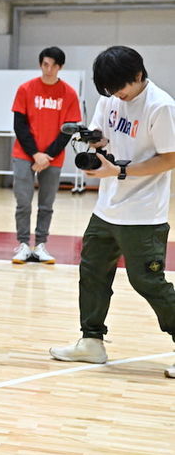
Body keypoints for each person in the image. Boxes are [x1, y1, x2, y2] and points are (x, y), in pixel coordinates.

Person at [49, 46, 175, 379]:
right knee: (92, 272)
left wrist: (119, 171)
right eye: (108, 89)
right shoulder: (110, 100)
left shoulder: (161, 106)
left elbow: (170, 157)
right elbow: (104, 141)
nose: (116, 94)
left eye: (121, 87)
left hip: (144, 213)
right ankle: (91, 341)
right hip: (107, 208)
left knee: (146, 280)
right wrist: (95, 142)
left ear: (138, 75)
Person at [10, 47, 81, 264]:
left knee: (46, 204)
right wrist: (35, 154)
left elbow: (68, 130)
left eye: (53, 65)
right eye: (45, 64)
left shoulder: (69, 93)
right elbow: (19, 126)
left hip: (52, 158)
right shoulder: (26, 89)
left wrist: (47, 155)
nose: (48, 69)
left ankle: (40, 245)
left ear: (60, 67)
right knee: (23, 202)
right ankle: (23, 244)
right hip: (25, 155)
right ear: (41, 64)